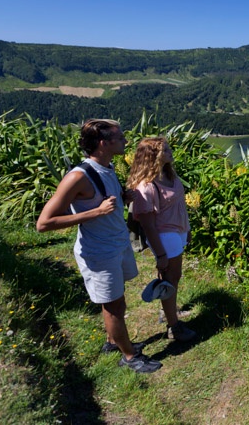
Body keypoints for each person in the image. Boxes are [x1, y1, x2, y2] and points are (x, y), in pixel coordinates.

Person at [37, 119, 162, 373]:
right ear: (104, 143)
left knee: (115, 300)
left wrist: (122, 199)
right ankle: (129, 357)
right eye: (121, 138)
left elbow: (105, 200)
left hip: (116, 245)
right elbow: (44, 223)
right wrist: (95, 212)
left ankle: (113, 341)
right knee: (114, 306)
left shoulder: (107, 166)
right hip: (99, 253)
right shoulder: (78, 176)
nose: (126, 141)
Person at [127, 137, 196, 342]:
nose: (170, 151)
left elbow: (180, 205)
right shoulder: (146, 187)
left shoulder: (169, 174)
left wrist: (188, 229)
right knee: (171, 278)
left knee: (171, 277)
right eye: (165, 149)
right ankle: (173, 327)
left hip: (177, 231)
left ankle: (168, 312)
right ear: (153, 156)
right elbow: (148, 225)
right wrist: (161, 254)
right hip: (165, 236)